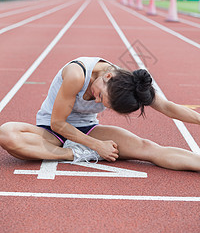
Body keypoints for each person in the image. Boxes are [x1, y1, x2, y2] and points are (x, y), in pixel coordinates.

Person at [0, 56, 200, 171]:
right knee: (7, 134)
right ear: (108, 76)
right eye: (100, 96)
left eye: (104, 103)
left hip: (89, 129)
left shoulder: (130, 84)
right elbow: (58, 124)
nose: (96, 101)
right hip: (52, 132)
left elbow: (167, 107)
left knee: (148, 148)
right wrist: (97, 147)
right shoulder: (76, 74)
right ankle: (75, 154)